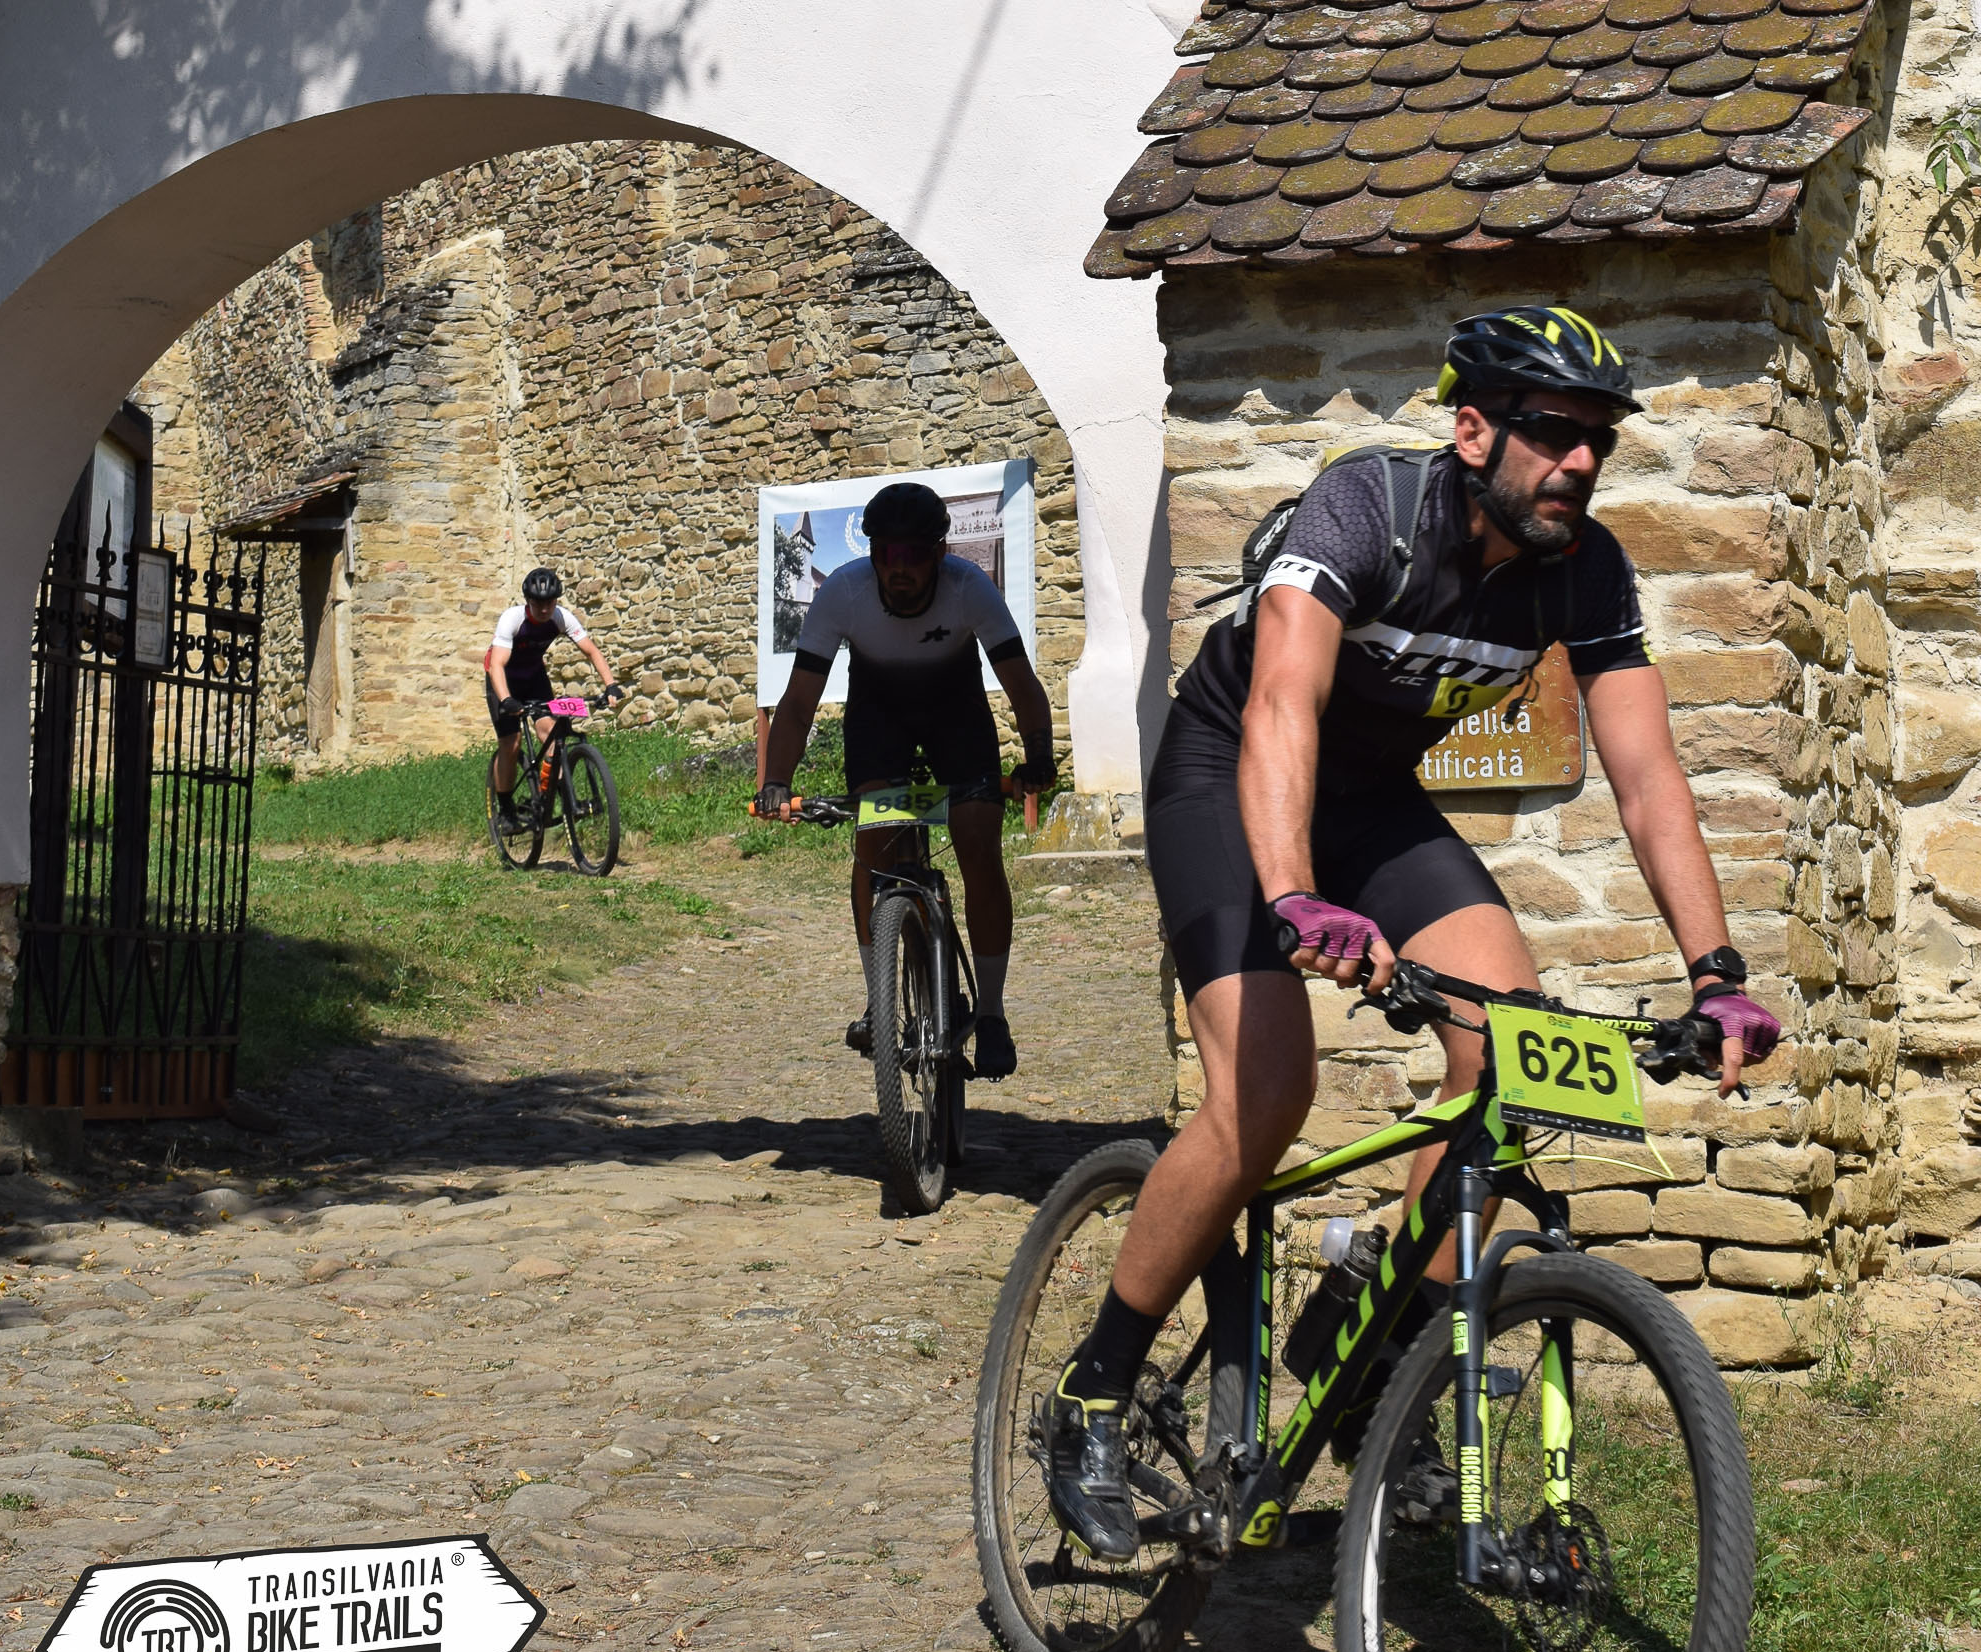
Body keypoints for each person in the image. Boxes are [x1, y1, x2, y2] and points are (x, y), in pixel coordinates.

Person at [1041, 303, 1783, 1560]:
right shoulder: (1365, 511)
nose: (1579, 462)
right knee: (1263, 1094)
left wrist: (1715, 973)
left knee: (1506, 1057)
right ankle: (1093, 1390)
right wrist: (1292, 895)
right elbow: (1280, 704)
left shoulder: (1586, 567)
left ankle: (1369, 1349)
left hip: (1373, 804)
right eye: (1552, 433)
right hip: (1225, 776)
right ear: (1473, 430)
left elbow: (1647, 775)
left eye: (1597, 439)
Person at [755, 479, 1057, 1081]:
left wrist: (1039, 760)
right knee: (872, 846)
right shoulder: (843, 593)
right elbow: (800, 700)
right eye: (886, 554)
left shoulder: (970, 588)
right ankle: (880, 999)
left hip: (956, 715)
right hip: (880, 718)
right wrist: (777, 780)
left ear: (940, 553)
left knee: (978, 844)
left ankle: (992, 1013)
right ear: (871, 555)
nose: (899, 569)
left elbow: (1022, 685)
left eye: (914, 555)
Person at [485, 567, 618, 825]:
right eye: (538, 603)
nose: (545, 609)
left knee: (552, 734)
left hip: (534, 678)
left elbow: (591, 651)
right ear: (528, 601)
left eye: (550, 602)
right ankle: (506, 810)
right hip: (502, 681)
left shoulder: (562, 617)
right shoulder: (512, 619)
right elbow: (496, 665)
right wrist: (506, 700)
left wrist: (610, 685)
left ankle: (556, 797)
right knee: (511, 743)